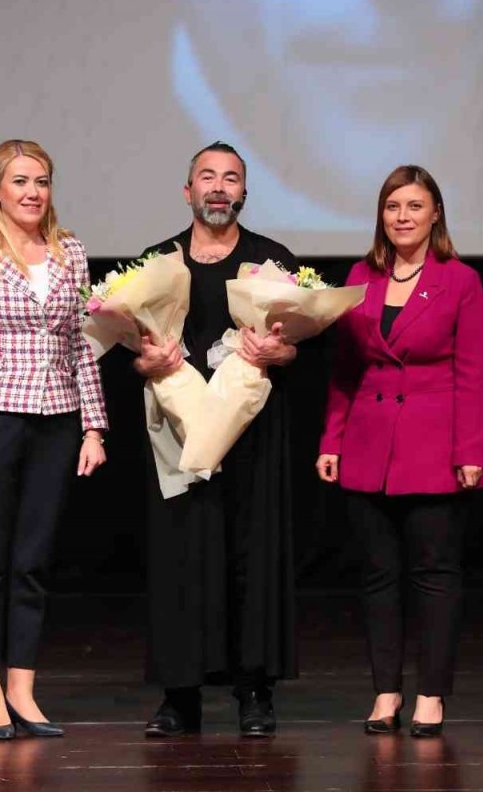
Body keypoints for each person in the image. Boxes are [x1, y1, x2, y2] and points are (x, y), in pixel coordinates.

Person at [0, 139, 108, 740]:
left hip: (57, 420)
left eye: (42, 181)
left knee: (33, 562)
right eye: (21, 181)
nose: (33, 192)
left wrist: (94, 425)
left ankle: (23, 690)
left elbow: (84, 343)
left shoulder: (71, 253)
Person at [315, 165, 483, 737]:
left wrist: (471, 452)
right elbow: (345, 369)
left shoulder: (460, 280)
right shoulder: (361, 276)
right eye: (393, 207)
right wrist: (331, 439)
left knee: (434, 574)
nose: (403, 217)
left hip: (433, 446)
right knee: (377, 575)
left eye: (415, 206)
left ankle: (432, 696)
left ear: (435, 213)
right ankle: (385, 693)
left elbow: (473, 373)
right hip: (367, 443)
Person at [134, 141, 299, 737]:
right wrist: (145, 363)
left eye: (231, 178)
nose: (219, 187)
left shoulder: (271, 262)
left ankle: (255, 692)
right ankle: (181, 697)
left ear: (244, 193)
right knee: (181, 557)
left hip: (253, 440)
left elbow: (308, 343)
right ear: (188, 192)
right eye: (208, 177)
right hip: (178, 437)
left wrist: (285, 349)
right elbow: (122, 349)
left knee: (252, 558)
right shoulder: (156, 262)